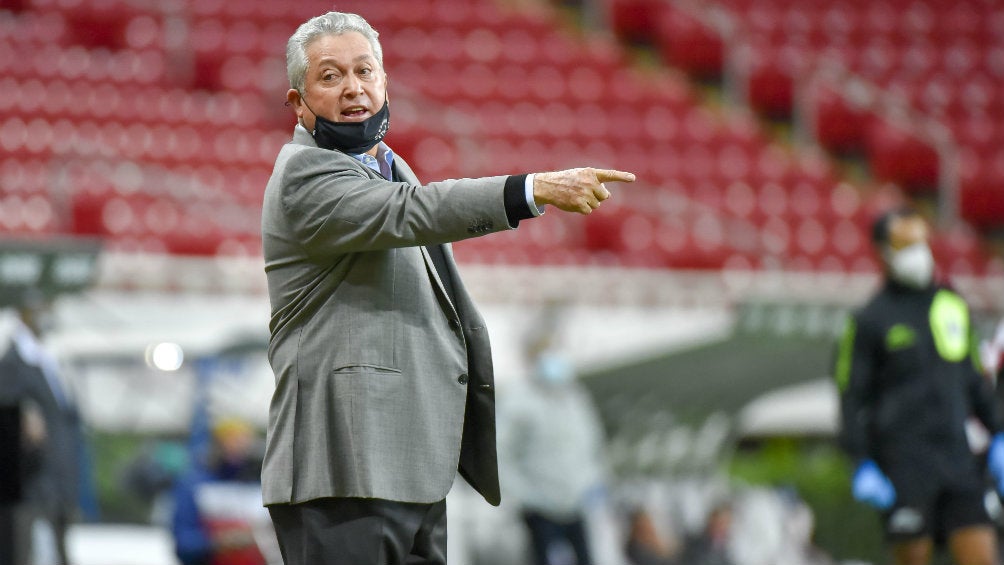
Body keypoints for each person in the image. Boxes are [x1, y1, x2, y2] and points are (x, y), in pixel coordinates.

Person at [258, 10, 635, 565]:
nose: (353, 87)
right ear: (297, 102)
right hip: (342, 469)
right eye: (331, 76)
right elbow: (417, 211)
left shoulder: (389, 167)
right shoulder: (304, 173)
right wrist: (531, 189)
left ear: (385, 82)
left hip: (409, 468)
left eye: (364, 70)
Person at [833, 207, 1004, 565]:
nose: (917, 252)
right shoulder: (868, 321)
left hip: (958, 460)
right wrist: (861, 461)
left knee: (981, 553)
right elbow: (851, 396)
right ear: (881, 252)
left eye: (920, 241)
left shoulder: (951, 305)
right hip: (903, 466)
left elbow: (973, 379)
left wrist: (999, 433)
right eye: (904, 244)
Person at [497, 333, 608, 565]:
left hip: (576, 503)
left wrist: (591, 481)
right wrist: (525, 494)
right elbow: (501, 453)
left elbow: (592, 443)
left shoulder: (575, 397)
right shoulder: (517, 399)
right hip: (539, 507)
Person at [0, 292, 89, 565]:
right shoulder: (12, 363)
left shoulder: (51, 359)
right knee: (22, 548)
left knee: (61, 547)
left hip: (58, 475)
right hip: (30, 478)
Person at [171, 417, 273, 565]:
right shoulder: (194, 485)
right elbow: (183, 542)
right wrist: (218, 542)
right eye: (231, 441)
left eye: (243, 442)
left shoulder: (262, 486)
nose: (238, 449)